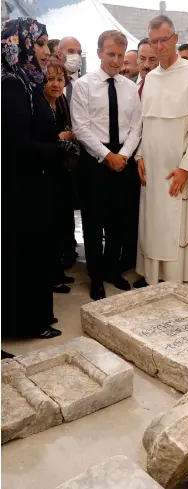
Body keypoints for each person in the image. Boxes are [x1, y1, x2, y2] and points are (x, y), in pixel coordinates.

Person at [134, 15, 188, 288]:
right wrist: (140, 156)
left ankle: (173, 277)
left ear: (175, 39)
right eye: (154, 41)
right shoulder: (151, 79)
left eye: (163, 41)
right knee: (152, 223)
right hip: (152, 168)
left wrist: (185, 168)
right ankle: (151, 274)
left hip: (176, 169)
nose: (158, 47)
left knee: (173, 224)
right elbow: (144, 123)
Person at [1, 17, 61, 339]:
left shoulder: (28, 81)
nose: (46, 51)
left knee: (37, 252)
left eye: (47, 45)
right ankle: (22, 324)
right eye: (39, 44)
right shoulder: (10, 84)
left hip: (34, 183)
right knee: (23, 255)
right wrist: (57, 148)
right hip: (19, 188)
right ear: (20, 43)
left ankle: (38, 317)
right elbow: (16, 143)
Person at [71, 30, 142, 300]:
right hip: (94, 159)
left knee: (118, 220)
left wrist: (123, 155)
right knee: (93, 221)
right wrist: (106, 156)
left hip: (123, 159)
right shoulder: (83, 86)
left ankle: (113, 270)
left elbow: (137, 125)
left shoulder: (130, 87)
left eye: (120, 55)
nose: (115, 60)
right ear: (99, 52)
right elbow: (81, 127)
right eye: (111, 54)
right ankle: (96, 277)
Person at [43, 56, 80, 292]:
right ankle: (51, 277)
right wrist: (60, 138)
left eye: (60, 79)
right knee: (48, 229)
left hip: (61, 173)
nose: (56, 84)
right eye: (50, 79)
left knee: (59, 227)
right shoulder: (38, 103)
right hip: (45, 174)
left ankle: (57, 272)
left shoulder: (61, 101)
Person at [57, 36, 83, 268]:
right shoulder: (48, 82)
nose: (75, 56)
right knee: (61, 205)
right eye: (70, 50)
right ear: (59, 52)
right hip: (58, 153)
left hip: (80, 154)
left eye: (79, 51)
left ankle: (72, 246)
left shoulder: (83, 84)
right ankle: (64, 248)